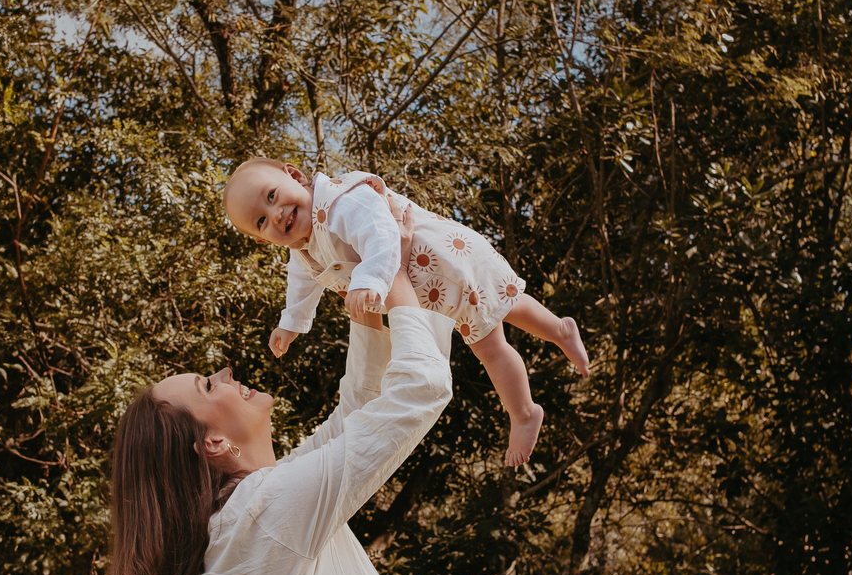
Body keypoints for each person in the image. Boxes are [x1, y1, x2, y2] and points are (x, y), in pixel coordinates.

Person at [99, 258, 455, 575]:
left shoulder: (252, 511)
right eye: (208, 386)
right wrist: (395, 278)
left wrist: (365, 280)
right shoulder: (260, 514)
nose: (226, 373)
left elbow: (360, 405)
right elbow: (421, 389)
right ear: (212, 444)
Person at [222, 157, 589, 465]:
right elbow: (301, 289)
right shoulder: (303, 251)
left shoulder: (340, 203)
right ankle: (559, 333)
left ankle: (526, 408)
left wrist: (368, 281)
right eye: (261, 220)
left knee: (498, 327)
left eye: (273, 196)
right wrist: (291, 324)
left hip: (443, 262)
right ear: (261, 239)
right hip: (425, 290)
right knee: (501, 319)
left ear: (295, 176)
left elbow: (381, 233)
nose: (276, 213)